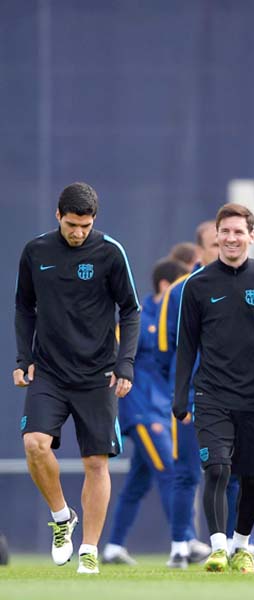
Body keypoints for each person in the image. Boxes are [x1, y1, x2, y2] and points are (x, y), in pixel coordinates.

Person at [14, 182, 141, 574]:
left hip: (97, 375)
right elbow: (23, 307)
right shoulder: (36, 252)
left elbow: (131, 311)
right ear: (58, 216)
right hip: (49, 371)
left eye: (85, 226)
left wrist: (126, 363)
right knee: (35, 443)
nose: (79, 232)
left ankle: (88, 548)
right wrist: (24, 357)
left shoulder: (110, 252)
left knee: (95, 462)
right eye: (72, 224)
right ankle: (61, 516)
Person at [173, 203, 254, 573]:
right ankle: (216, 548)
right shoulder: (197, 285)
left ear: (251, 236)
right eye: (224, 232)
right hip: (211, 395)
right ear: (216, 235)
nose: (231, 238)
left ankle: (242, 547)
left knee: (251, 476)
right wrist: (180, 395)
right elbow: (186, 345)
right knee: (216, 469)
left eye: (238, 232)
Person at [158, 221, 235, 568]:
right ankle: (180, 545)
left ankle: (238, 545)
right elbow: (167, 348)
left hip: (235, 395)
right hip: (193, 397)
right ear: (201, 250)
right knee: (188, 472)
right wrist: (179, 395)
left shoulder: (248, 282)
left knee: (235, 472)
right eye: (216, 244)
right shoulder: (179, 291)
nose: (224, 248)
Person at [102, 258, 189, 565]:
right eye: (181, 284)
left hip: (162, 409)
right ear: (166, 286)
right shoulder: (138, 318)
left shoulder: (177, 319)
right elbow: (117, 360)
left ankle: (113, 546)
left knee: (138, 480)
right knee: (170, 469)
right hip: (141, 411)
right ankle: (186, 540)